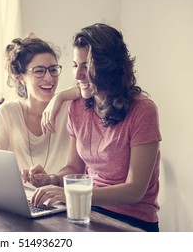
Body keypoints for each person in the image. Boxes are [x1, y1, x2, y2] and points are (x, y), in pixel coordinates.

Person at [24, 23, 162, 232]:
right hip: (88, 213)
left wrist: (74, 193)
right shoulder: (78, 107)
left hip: (133, 223)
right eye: (75, 65)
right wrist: (51, 179)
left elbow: (135, 191)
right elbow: (74, 168)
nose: (78, 75)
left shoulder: (143, 110)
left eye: (86, 66)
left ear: (109, 67)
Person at [0, 33, 80, 179]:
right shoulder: (9, 112)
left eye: (53, 69)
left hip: (59, 197)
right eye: (39, 71)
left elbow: (93, 89)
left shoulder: (71, 107)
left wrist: (60, 97)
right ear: (21, 77)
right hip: (21, 197)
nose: (49, 78)